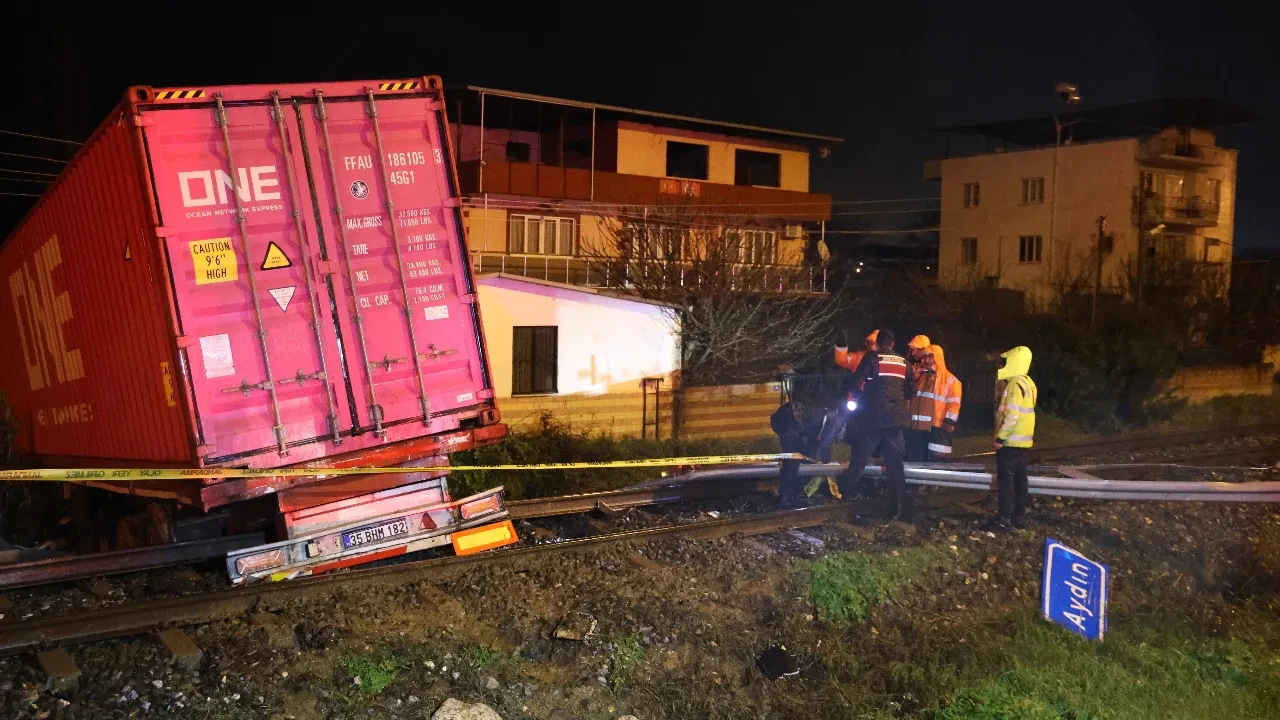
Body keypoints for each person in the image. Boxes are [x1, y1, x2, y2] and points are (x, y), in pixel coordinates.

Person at [838, 329, 916, 519]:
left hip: (873, 416)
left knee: (860, 458)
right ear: (892, 343)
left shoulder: (872, 358)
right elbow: (911, 390)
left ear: (878, 343)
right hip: (895, 419)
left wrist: (860, 397)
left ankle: (846, 498)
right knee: (895, 464)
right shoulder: (904, 362)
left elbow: (854, 381)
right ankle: (897, 506)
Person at [814, 329, 879, 498]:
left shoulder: (884, 362)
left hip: (871, 409)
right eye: (869, 343)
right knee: (830, 434)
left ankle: (862, 479)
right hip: (853, 405)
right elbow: (842, 360)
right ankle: (824, 472)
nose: (870, 346)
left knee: (866, 446)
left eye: (873, 344)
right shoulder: (860, 357)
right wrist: (841, 345)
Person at [989, 346, 1037, 531]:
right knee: (1020, 481)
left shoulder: (1015, 385)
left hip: (1010, 443)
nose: (1003, 366)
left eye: (1006, 362)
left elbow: (1012, 415)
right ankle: (1018, 517)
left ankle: (1004, 520)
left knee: (1006, 483)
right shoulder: (1029, 383)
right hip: (1023, 443)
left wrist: (1000, 438)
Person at [906, 342, 963, 461]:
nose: (926, 360)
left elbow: (954, 404)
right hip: (917, 429)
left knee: (934, 464)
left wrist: (949, 422)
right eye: (925, 357)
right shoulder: (921, 377)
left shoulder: (950, 380)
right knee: (915, 462)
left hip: (937, 429)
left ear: (937, 357)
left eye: (930, 357)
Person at [770, 399, 823, 508]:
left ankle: (795, 494)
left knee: (803, 461)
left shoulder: (816, 413)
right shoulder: (817, 415)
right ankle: (786, 497)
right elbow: (809, 433)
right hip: (788, 428)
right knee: (792, 463)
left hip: (792, 427)